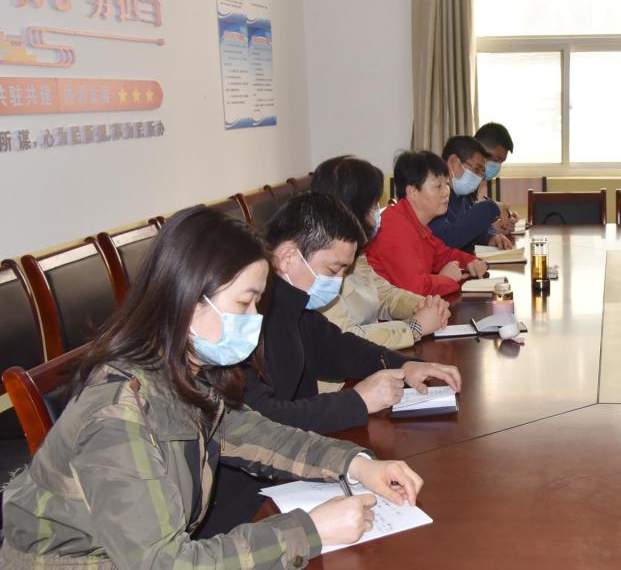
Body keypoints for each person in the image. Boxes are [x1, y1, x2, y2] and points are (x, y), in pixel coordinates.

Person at [0, 206, 423, 568]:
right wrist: (309, 530)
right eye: (244, 302)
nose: (254, 318)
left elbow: (259, 435)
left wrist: (357, 465)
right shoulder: (118, 411)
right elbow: (165, 563)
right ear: (188, 299)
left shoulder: (185, 373)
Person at [199, 193, 461, 537]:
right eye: (333, 270)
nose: (336, 283)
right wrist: (357, 401)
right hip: (244, 503)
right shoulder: (243, 328)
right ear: (288, 257)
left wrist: (404, 366)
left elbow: (335, 347)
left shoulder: (288, 303)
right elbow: (263, 420)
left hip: (283, 475)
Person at [311, 155, 451, 349]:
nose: (379, 211)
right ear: (351, 210)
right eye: (373, 205)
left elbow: (385, 295)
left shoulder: (356, 254)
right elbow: (345, 338)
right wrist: (414, 328)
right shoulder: (317, 267)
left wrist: (425, 305)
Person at [367, 150, 489, 295]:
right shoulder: (393, 227)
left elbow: (442, 255)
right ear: (412, 191)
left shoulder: (415, 221)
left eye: (447, 184)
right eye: (438, 186)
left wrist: (471, 262)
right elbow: (415, 289)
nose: (446, 192)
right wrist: (446, 279)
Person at [429, 135, 513, 250]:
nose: (478, 178)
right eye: (476, 169)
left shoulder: (464, 196)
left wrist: (490, 237)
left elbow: (469, 230)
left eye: (481, 173)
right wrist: (492, 206)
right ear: (453, 162)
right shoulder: (432, 195)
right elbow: (447, 240)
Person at [474, 122, 519, 234]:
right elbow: (455, 230)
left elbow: (471, 212)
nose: (497, 166)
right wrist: (490, 229)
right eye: (496, 159)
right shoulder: (459, 181)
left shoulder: (475, 179)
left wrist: (502, 217)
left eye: (501, 162)